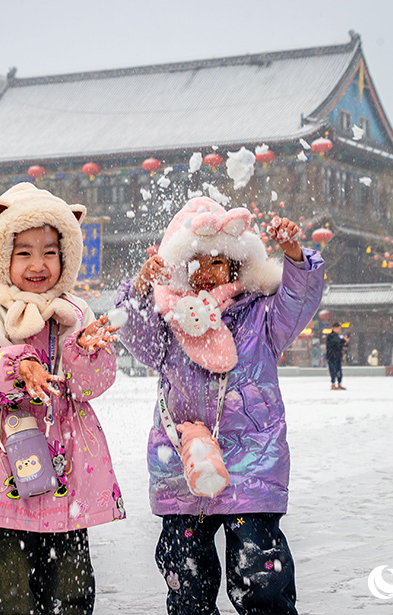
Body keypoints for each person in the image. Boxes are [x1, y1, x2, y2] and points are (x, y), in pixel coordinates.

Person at [116, 196, 324, 615]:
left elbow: (299, 300)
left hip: (252, 462)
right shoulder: (168, 322)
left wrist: (295, 256)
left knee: (259, 573)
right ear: (181, 269)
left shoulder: (261, 316)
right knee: (185, 576)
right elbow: (132, 333)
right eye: (196, 263)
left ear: (235, 265)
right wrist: (140, 288)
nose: (207, 274)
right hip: (181, 462)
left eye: (218, 263)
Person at [0, 183, 124, 615]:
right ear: (1, 254)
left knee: (71, 597)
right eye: (24, 252)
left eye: (50, 251)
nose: (38, 264)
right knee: (6, 599)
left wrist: (86, 352)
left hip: (66, 479)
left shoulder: (76, 313)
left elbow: (91, 384)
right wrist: (16, 367)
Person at [325, 324, 348, 390]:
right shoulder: (331, 336)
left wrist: (344, 343)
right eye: (338, 328)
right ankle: (333, 384)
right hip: (332, 356)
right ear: (334, 328)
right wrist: (343, 341)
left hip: (337, 356)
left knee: (338, 370)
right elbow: (336, 343)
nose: (339, 330)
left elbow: (340, 345)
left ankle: (339, 383)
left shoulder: (337, 336)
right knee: (333, 370)